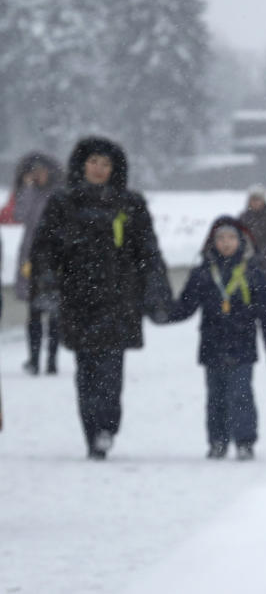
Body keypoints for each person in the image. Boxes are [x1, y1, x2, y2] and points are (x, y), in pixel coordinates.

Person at [30, 137, 171, 460]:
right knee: (86, 372)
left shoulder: (130, 203)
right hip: (78, 300)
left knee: (110, 372)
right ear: (82, 164)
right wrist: (48, 286)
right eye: (93, 161)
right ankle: (93, 434)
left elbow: (147, 251)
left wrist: (156, 291)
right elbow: (44, 250)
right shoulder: (63, 203)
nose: (98, 169)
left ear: (114, 169)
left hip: (119, 300)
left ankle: (107, 427)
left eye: (105, 164)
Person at [165, 216, 266, 461]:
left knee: (241, 394)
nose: (226, 243)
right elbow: (186, 307)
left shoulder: (253, 273)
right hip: (212, 344)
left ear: (241, 242)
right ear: (212, 242)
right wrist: (161, 312)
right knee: (215, 397)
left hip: (243, 345)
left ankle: (244, 441)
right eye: (220, 238)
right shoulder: (203, 273)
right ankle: (217, 441)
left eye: (231, 238)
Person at [14, 152, 64, 375]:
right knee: (33, 311)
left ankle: (52, 360)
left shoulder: (58, 194)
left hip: (54, 258)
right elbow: (19, 215)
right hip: (30, 258)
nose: (38, 175)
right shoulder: (31, 193)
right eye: (34, 171)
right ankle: (34, 360)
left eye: (41, 170)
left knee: (54, 311)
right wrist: (26, 189)